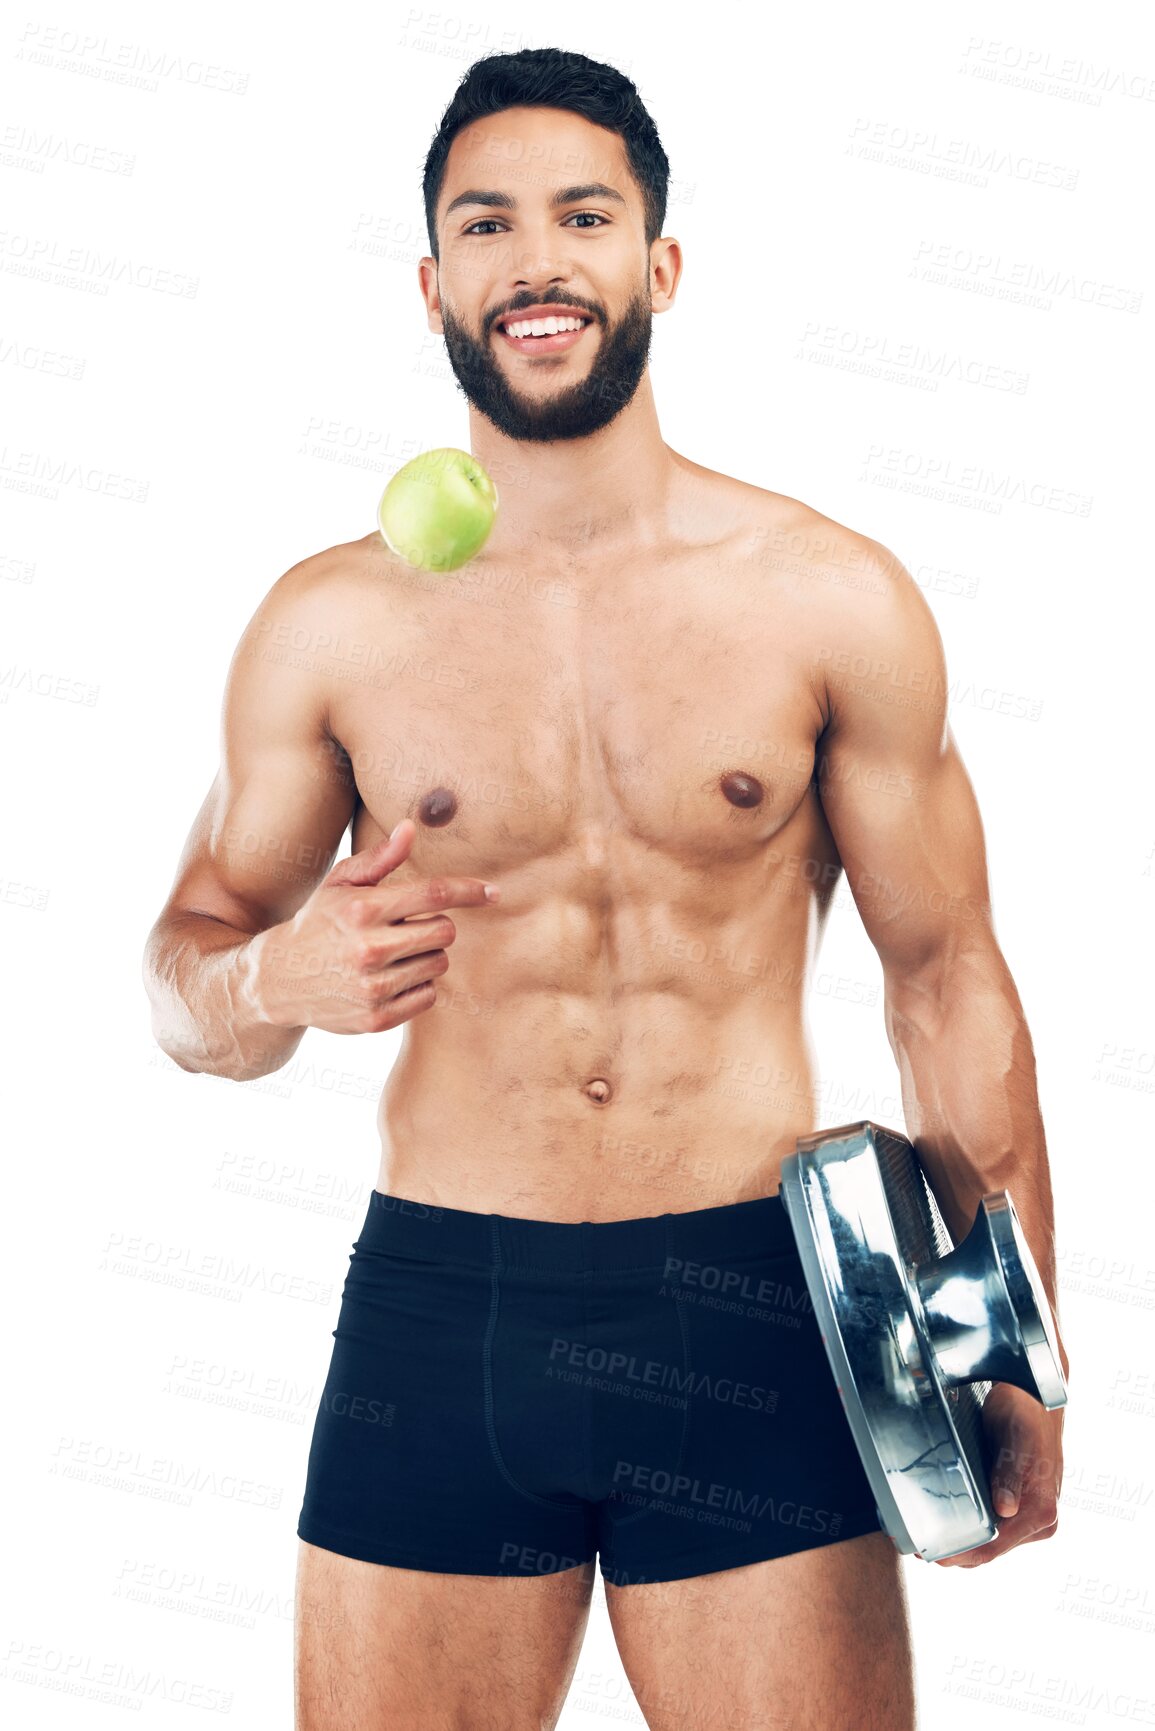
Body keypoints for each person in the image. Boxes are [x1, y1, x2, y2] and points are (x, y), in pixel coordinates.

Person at [142, 45, 1068, 1731]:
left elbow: (947, 979)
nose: (535, 258)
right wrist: (280, 980)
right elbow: (185, 982)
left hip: (757, 1312)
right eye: (485, 223)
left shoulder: (827, 598)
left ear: (660, 263)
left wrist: (1011, 1330)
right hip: (447, 1309)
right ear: (433, 281)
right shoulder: (330, 626)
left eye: (585, 213)